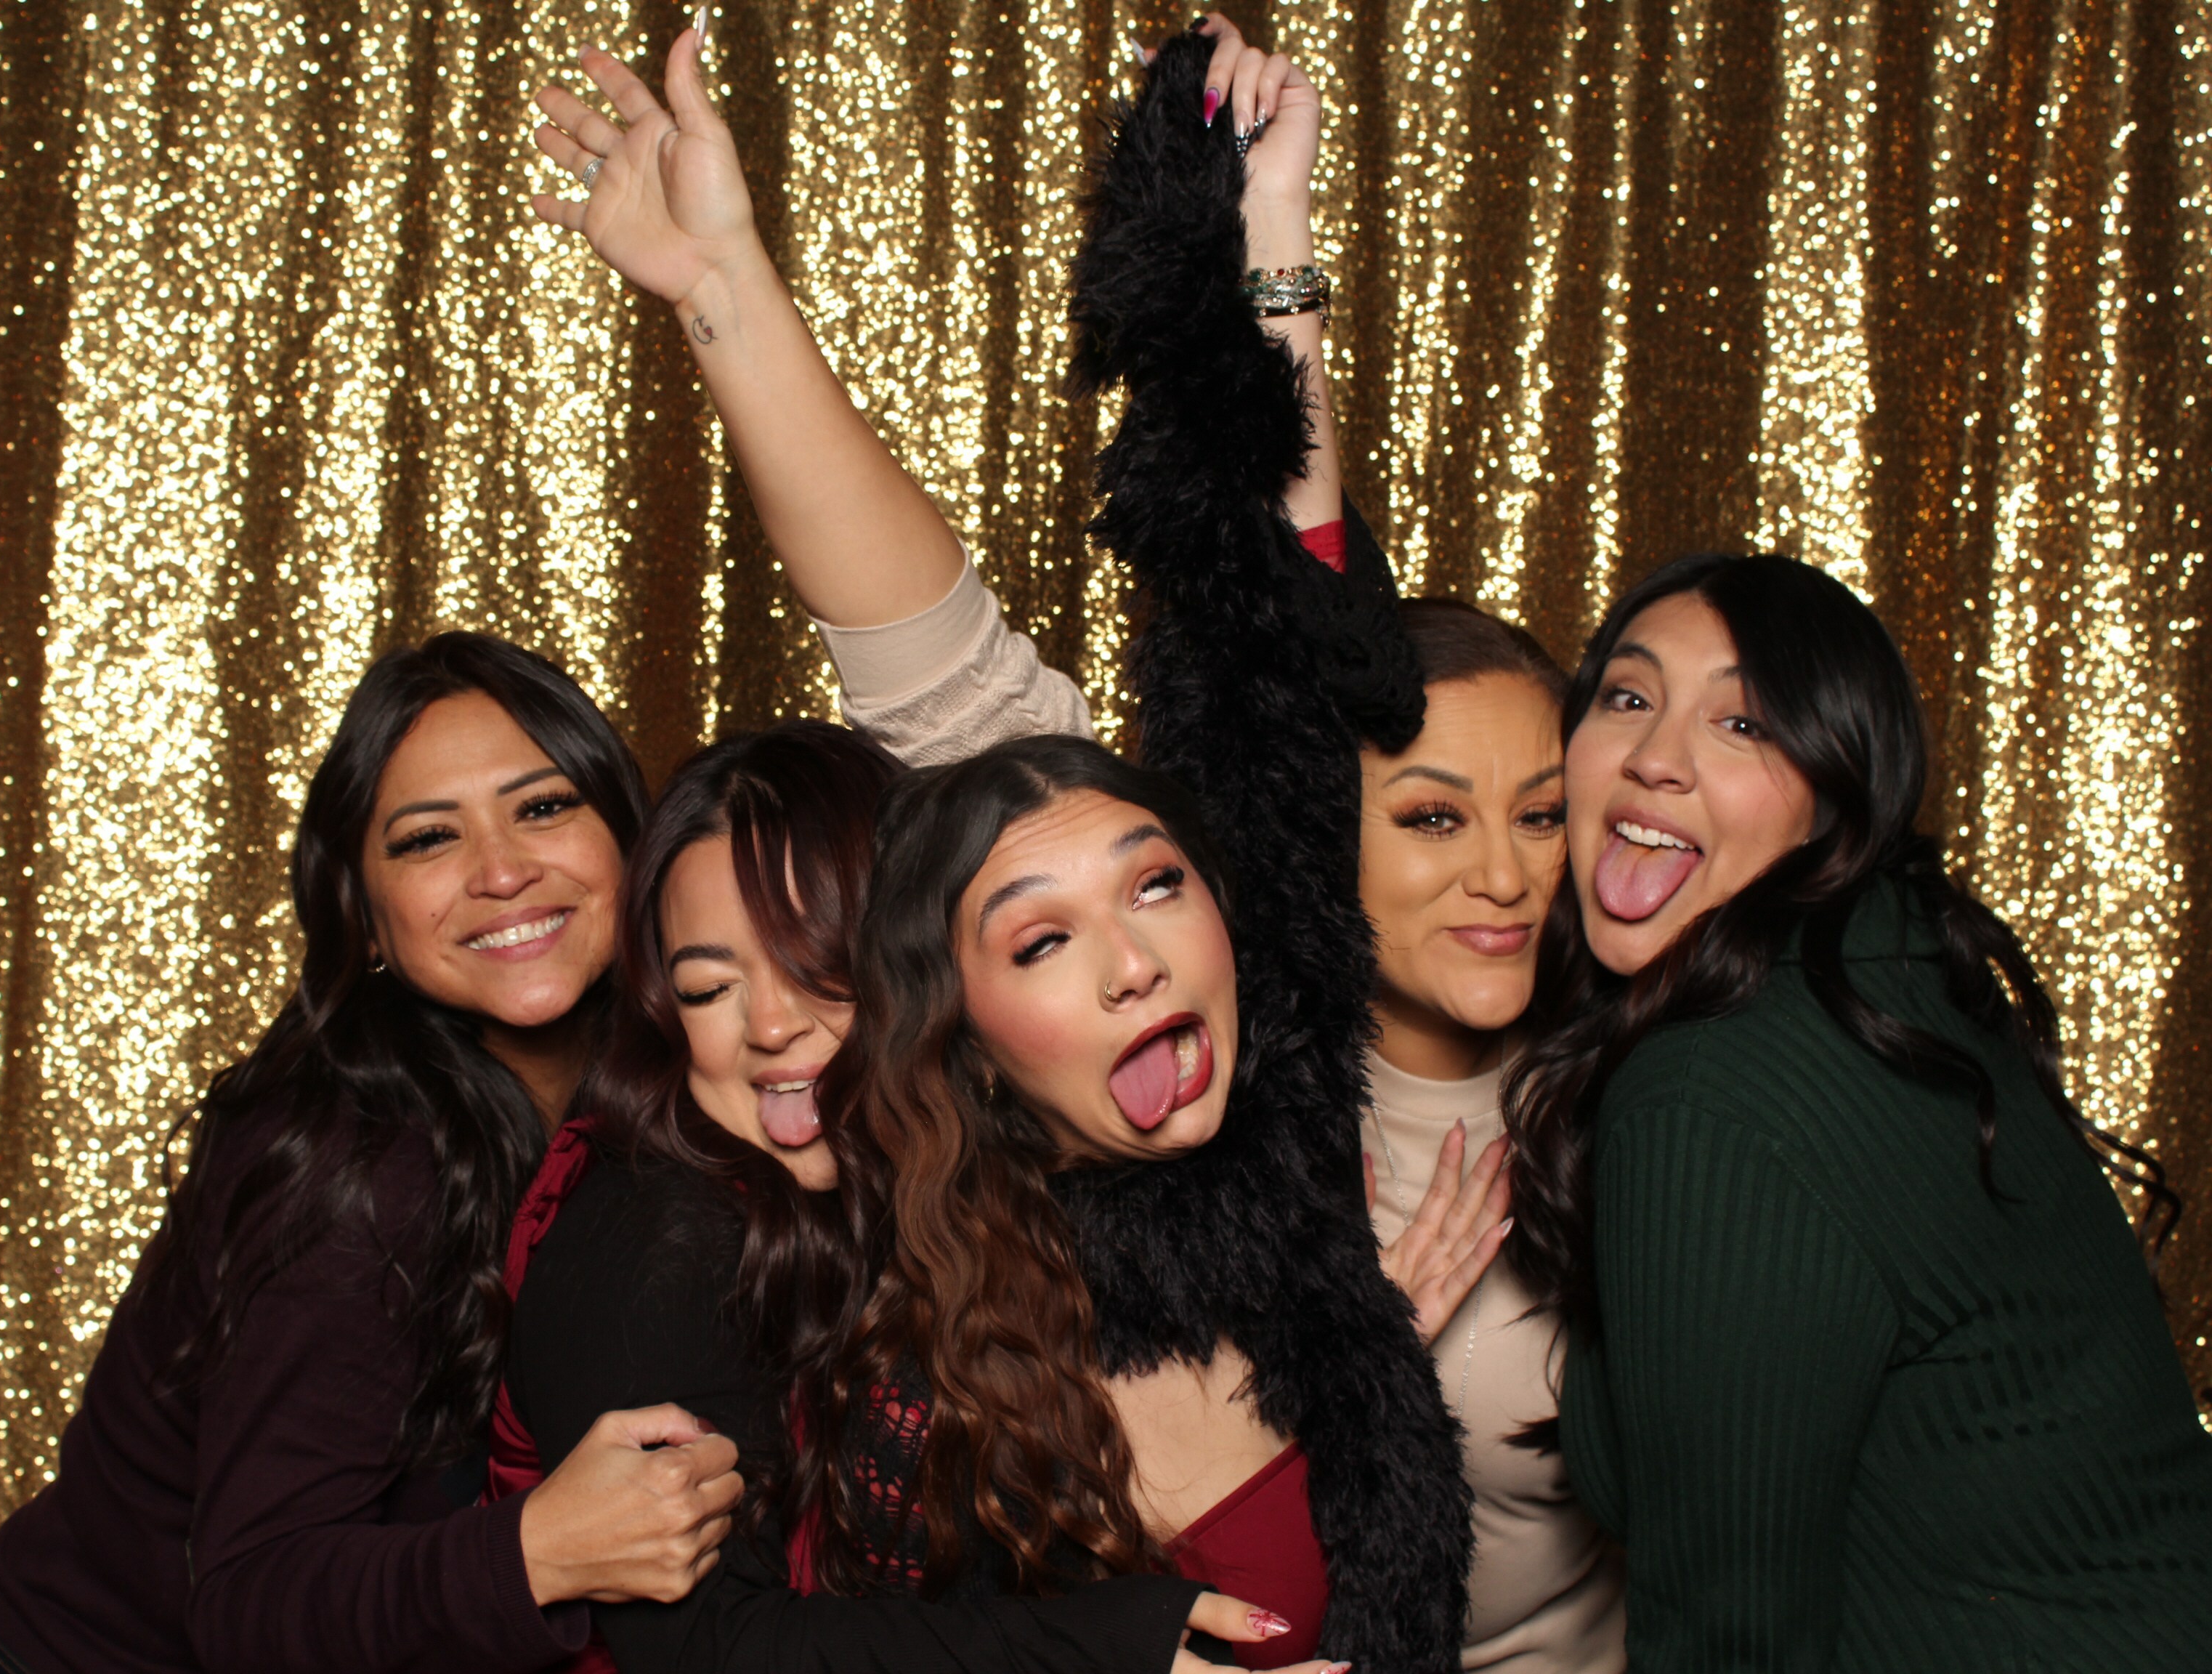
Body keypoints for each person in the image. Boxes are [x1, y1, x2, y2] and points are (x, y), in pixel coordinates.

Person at [535, 21, 1469, 1667]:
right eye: (1038, 938)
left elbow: (1273, 641)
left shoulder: (1286, 1140)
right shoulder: (896, 1319)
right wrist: (724, 293)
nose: (1131, 961)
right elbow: (923, 649)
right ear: (948, 1019)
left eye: (1159, 888)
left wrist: (1272, 247)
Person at [0, 635, 744, 1674]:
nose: (501, 871)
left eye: (543, 807)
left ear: (633, 843)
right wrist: (541, 1550)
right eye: (428, 839)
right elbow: (250, 1604)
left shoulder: (679, 1087)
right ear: (367, 919)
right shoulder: (356, 1168)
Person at [495, 721, 1326, 1674]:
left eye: (822, 967)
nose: (770, 1026)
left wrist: (1325, 1331)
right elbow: (710, 1651)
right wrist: (1103, 1650)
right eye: (710, 989)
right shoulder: (651, 1236)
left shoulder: (945, 1180)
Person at [1515, 553, 2212, 1669]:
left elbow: (1732, 1645)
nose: (1656, 759)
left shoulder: (1714, 1093)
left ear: (1834, 792)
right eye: (1628, 697)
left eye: (1743, 724)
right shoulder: (1894, 962)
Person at [1352, 600, 1626, 1673]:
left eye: (1542, 815)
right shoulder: (1215, 1123)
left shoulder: (1642, 1105)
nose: (1507, 879)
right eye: (1435, 818)